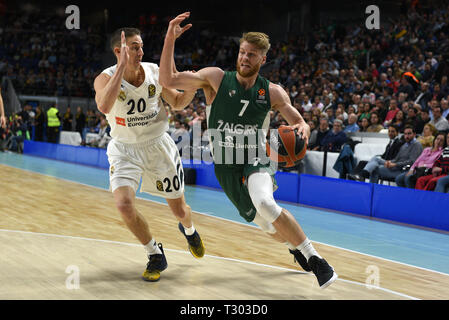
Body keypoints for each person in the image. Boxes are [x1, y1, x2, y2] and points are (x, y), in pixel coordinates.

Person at [159, 12, 338, 289]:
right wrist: (170, 37)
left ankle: (316, 260)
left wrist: (302, 125)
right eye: (242, 52)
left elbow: (296, 119)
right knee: (268, 226)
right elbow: (168, 80)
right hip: (225, 164)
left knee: (266, 203)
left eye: (252, 55)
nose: (244, 58)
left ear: (262, 59)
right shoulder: (215, 78)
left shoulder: (273, 92)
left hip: (257, 157)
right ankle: (295, 249)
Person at [93, 27, 205, 282]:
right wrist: (121, 68)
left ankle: (189, 230)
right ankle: (155, 253)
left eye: (141, 46)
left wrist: (193, 86)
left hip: (157, 146)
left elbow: (176, 102)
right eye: (134, 47)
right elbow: (104, 106)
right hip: (124, 149)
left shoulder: (154, 71)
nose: (140, 51)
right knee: (123, 204)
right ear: (118, 51)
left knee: (179, 210)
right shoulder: (104, 78)